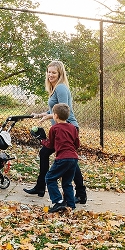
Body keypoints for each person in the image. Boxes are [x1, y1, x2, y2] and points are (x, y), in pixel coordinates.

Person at [23, 60, 87, 204]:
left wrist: (48, 116)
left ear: (60, 74)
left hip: (68, 128)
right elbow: (54, 110)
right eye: (49, 72)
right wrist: (40, 114)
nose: (50, 75)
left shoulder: (61, 88)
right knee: (63, 158)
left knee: (68, 159)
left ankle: (79, 193)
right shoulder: (54, 88)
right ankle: (41, 187)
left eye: (54, 72)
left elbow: (64, 110)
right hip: (60, 130)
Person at [41, 103, 80, 213]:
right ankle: (70, 205)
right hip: (73, 158)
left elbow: (50, 145)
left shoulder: (54, 128)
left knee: (50, 178)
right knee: (67, 182)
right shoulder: (73, 127)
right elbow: (77, 144)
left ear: (56, 116)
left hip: (62, 158)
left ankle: (58, 202)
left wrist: (42, 140)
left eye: (53, 114)